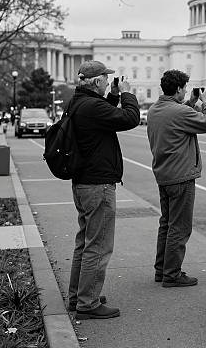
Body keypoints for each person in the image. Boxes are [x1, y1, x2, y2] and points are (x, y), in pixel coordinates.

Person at [68, 60, 139, 320]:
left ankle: (79, 295)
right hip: (98, 184)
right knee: (98, 245)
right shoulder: (91, 106)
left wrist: (113, 97)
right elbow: (129, 119)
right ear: (96, 81)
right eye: (106, 80)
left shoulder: (79, 102)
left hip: (83, 181)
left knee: (84, 242)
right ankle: (88, 303)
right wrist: (129, 95)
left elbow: (103, 114)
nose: (108, 82)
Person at [147, 69, 206, 287]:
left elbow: (176, 114)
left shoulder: (155, 109)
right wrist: (205, 103)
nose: (186, 91)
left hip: (164, 175)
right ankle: (172, 274)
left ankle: (162, 269)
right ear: (178, 89)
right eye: (184, 88)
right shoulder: (178, 112)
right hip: (181, 176)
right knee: (180, 227)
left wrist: (190, 102)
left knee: (166, 224)